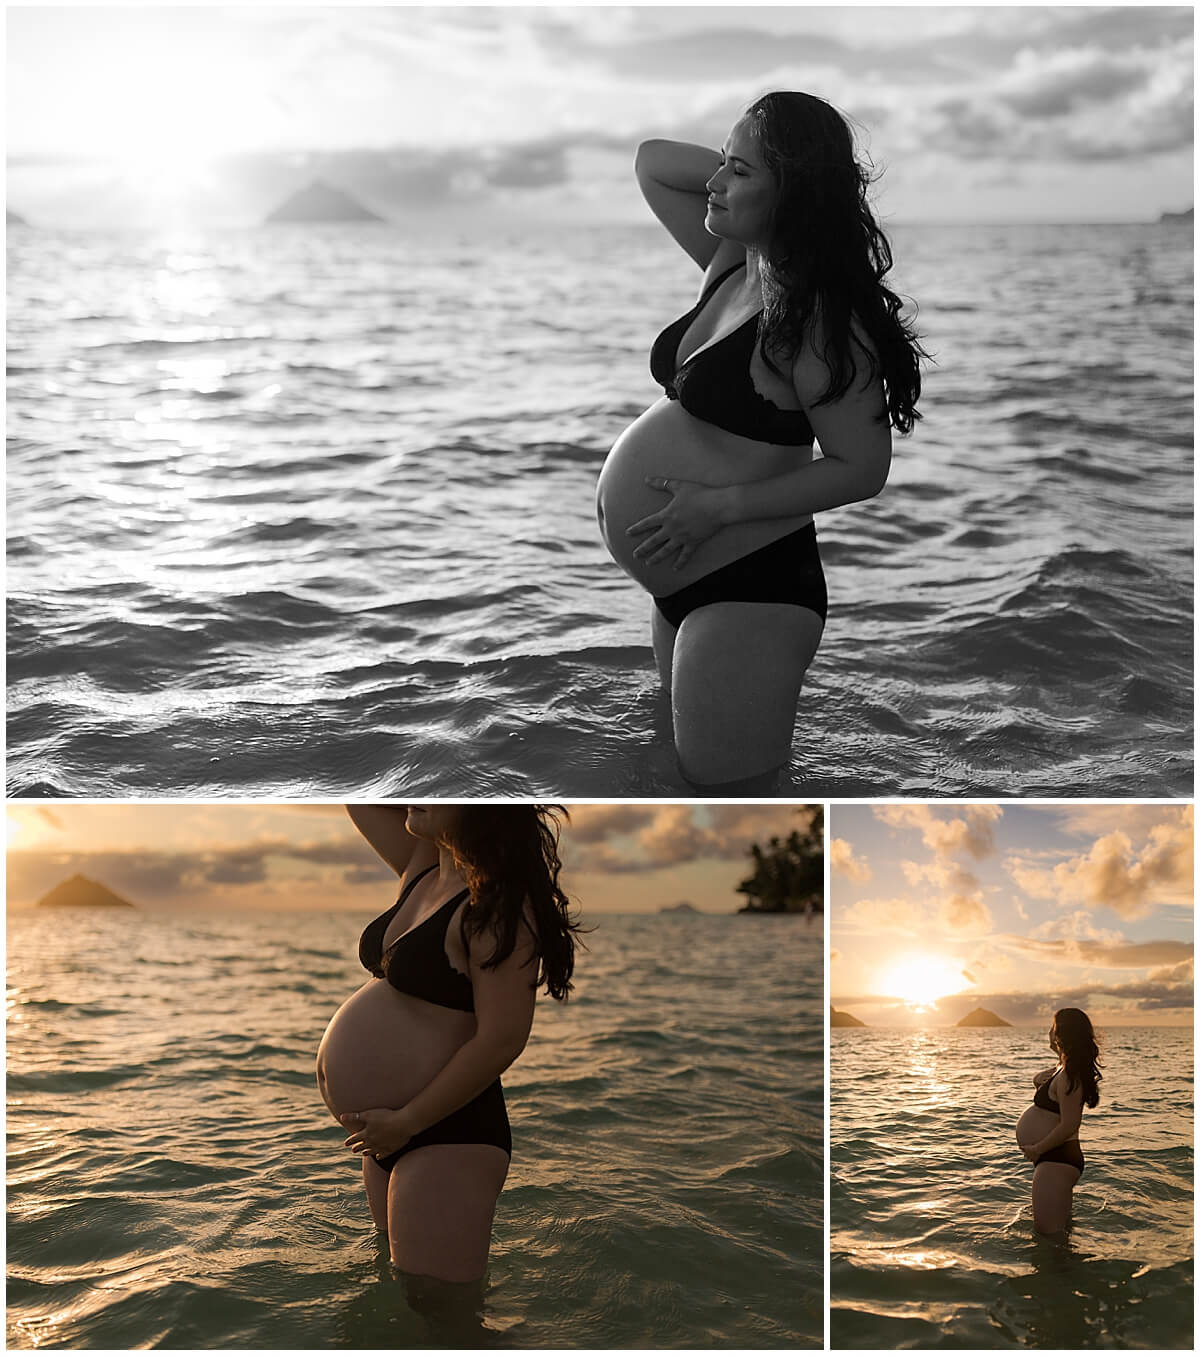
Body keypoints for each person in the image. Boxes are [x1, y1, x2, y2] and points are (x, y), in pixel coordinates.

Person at [596, 91, 925, 793]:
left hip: (749, 592)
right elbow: (653, 163)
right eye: (721, 162)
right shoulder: (734, 261)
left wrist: (718, 508)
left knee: (734, 801)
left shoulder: (821, 318)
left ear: (793, 194)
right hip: (683, 582)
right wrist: (746, 158)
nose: (714, 181)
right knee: (675, 783)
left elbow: (862, 469)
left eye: (738, 172)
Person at [315, 803, 582, 1286]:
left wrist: (407, 1122)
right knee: (398, 1302)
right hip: (388, 1134)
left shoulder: (499, 904)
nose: (418, 788)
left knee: (444, 1319)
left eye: (440, 781)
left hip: (444, 1134)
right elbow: (359, 792)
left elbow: (502, 1039)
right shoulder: (424, 866)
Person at [1016, 1008, 1102, 1235]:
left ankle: (1057, 1271)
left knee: (1049, 1237)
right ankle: (1068, 1269)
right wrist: (1037, 1081)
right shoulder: (1062, 1069)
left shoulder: (1069, 1076)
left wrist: (1037, 1149)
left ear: (1062, 1034)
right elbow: (1053, 1102)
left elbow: (1070, 1123)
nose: (1048, 1032)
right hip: (1055, 1159)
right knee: (1060, 1236)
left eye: (1052, 1028)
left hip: (1056, 1158)